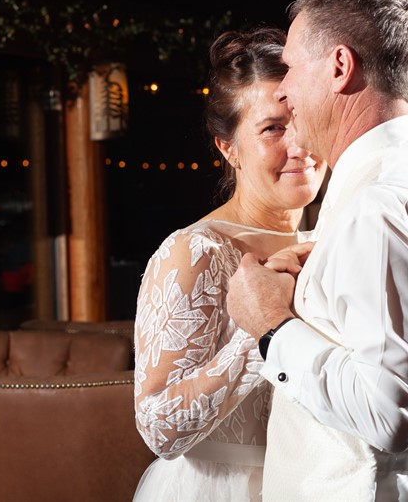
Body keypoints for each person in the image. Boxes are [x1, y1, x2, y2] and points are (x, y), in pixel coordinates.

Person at [226, 0, 408, 501]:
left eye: (292, 67)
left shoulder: (380, 202)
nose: (283, 90)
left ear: (340, 67)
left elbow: (391, 413)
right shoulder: (405, 175)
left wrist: (271, 325)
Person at [132, 28, 326, 501]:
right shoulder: (195, 252)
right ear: (228, 147)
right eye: (272, 128)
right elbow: (159, 428)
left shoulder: (332, 239)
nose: (299, 145)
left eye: (303, 120)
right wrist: (265, 329)